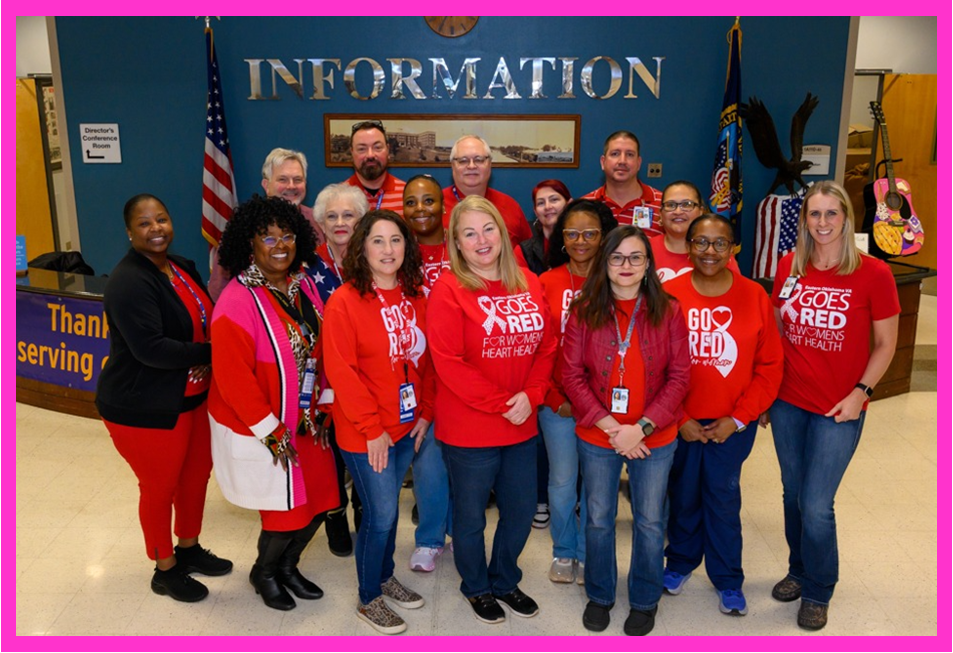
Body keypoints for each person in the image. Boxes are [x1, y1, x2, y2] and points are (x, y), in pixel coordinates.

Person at [768, 180, 900, 631]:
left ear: (846, 217)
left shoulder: (873, 274)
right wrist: (766, 393)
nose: (822, 222)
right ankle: (798, 569)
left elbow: (886, 345)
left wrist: (861, 393)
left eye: (831, 213)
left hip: (839, 408)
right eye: (814, 213)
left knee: (817, 503)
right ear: (804, 219)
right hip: (788, 401)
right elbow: (777, 331)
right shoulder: (790, 265)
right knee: (792, 493)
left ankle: (819, 589)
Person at [427, 195, 557, 625]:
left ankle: (504, 580)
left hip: (521, 421)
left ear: (502, 233)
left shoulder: (528, 281)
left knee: (520, 511)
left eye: (488, 229)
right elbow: (448, 362)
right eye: (469, 233)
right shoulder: (449, 289)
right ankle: (476, 586)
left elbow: (547, 346)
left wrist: (532, 395)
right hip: (470, 426)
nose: (481, 240)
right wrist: (505, 403)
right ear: (456, 243)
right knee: (470, 516)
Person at [97, 193, 232, 603]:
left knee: (194, 476)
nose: (156, 228)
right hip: (144, 406)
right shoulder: (128, 281)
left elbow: (206, 317)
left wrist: (210, 351)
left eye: (161, 219)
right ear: (129, 232)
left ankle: (188, 548)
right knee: (159, 487)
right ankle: (165, 568)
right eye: (144, 223)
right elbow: (150, 349)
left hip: (192, 398)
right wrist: (212, 353)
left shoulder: (181, 266)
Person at [209, 195, 339, 611]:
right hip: (267, 426)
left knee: (320, 503)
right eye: (268, 237)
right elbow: (233, 379)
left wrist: (325, 402)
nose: (280, 245)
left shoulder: (303, 285)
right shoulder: (236, 300)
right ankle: (263, 573)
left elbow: (322, 348)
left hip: (307, 421)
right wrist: (271, 431)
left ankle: (287, 567)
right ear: (250, 243)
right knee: (284, 514)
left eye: (287, 236)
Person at [562, 224, 690, 636]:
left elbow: (680, 378)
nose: (626, 265)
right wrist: (613, 427)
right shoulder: (584, 310)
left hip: (654, 435)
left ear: (648, 264)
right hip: (599, 433)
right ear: (605, 263)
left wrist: (642, 427)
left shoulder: (669, 310)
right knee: (599, 518)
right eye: (617, 257)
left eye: (636, 257)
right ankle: (600, 595)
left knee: (650, 521)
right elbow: (571, 376)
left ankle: (645, 600)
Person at [662, 214, 784, 617]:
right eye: (700, 242)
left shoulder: (754, 296)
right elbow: (654, 364)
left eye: (719, 243)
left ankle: (728, 579)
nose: (709, 251)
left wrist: (740, 418)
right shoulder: (668, 294)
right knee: (682, 496)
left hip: (733, 423)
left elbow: (770, 366)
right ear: (688, 247)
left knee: (722, 497)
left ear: (734, 248)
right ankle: (679, 562)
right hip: (681, 422)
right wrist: (679, 418)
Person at [323, 210, 432, 635]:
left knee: (386, 515)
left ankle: (385, 576)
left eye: (396, 240)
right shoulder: (345, 300)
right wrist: (372, 429)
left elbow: (428, 361)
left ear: (407, 246)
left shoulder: (415, 296)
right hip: (366, 433)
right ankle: (369, 598)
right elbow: (342, 372)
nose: (388, 250)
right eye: (378, 241)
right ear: (362, 248)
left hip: (406, 427)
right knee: (382, 515)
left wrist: (426, 412)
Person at [538, 199, 618, 584]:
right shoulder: (545, 282)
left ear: (604, 237)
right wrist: (556, 399)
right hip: (559, 405)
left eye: (590, 233)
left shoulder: (617, 281)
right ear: (561, 238)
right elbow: (537, 348)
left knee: (598, 486)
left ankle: (590, 552)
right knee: (562, 481)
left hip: (605, 407)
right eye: (572, 233)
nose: (581, 241)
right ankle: (564, 550)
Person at [306, 182, 371, 556]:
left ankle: (365, 509)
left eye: (349, 215)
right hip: (322, 376)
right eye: (332, 216)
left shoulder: (377, 258)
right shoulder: (305, 265)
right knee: (328, 450)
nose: (341, 222)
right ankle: (334, 513)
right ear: (320, 222)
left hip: (369, 375)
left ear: (361, 219)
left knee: (364, 447)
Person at [401, 175, 454, 573]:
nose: (421, 209)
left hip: (466, 369)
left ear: (443, 205)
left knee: (468, 463)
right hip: (420, 374)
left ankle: (460, 532)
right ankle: (430, 539)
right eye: (412, 202)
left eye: (429, 200)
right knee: (428, 460)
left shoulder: (464, 245)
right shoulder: (397, 251)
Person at [208, 147, 322, 301]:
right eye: (282, 179)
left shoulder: (317, 221)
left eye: (297, 180)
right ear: (266, 185)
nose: (291, 186)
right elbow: (219, 288)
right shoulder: (245, 225)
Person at [441, 135, 532, 248]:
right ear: (452, 165)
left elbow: (529, 253)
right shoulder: (434, 207)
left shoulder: (510, 206)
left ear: (489, 164)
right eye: (463, 161)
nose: (471, 166)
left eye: (479, 160)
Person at [650, 180, 740, 282]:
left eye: (687, 204)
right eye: (670, 205)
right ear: (660, 213)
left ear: (701, 211)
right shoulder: (645, 249)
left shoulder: (718, 255)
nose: (678, 211)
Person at [582, 131, 663, 237]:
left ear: (638, 163)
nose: (622, 161)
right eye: (615, 154)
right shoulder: (585, 205)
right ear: (603, 162)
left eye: (630, 155)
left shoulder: (663, 205)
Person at [344, 120, 406, 215]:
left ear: (388, 150)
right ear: (352, 153)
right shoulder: (336, 198)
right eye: (362, 149)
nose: (370, 155)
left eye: (377, 147)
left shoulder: (407, 195)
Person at [515, 179, 572, 275]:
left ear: (569, 204)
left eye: (554, 200)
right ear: (536, 212)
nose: (547, 207)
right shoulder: (524, 251)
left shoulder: (582, 245)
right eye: (541, 203)